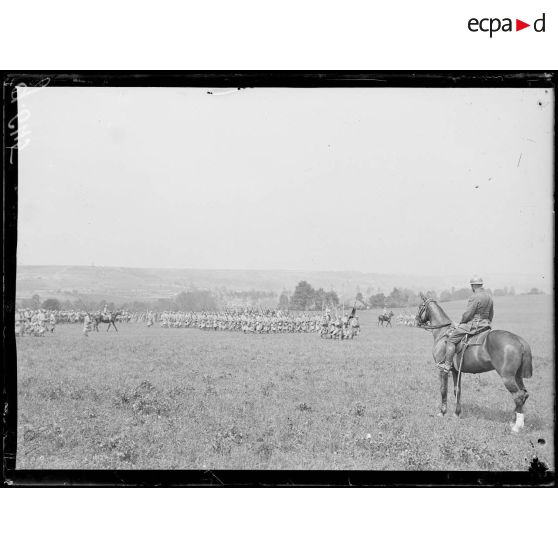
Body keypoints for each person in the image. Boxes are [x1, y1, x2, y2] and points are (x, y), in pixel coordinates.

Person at [438, 276, 494, 372]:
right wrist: (487, 322)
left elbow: (468, 314)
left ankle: (447, 365)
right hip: (486, 325)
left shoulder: (475, 297)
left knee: (451, 339)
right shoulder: (489, 296)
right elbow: (491, 314)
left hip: (474, 325)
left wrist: (461, 323)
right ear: (481, 285)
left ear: (473, 286)